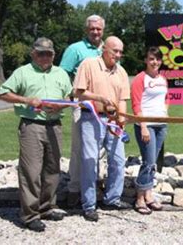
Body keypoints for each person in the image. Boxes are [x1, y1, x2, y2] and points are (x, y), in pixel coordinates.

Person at [0, 38, 72, 232]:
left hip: (55, 125)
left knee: (52, 169)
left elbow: (70, 96)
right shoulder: (23, 72)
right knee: (31, 171)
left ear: (54, 55)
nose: (45, 57)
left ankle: (47, 207)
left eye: (48, 53)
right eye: (41, 53)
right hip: (32, 125)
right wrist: (27, 100)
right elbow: (2, 93)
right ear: (33, 53)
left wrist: (61, 104)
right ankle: (30, 215)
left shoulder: (61, 73)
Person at [73, 36, 131, 222]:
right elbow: (78, 93)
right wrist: (99, 98)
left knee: (118, 160)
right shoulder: (89, 65)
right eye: (115, 51)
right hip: (91, 118)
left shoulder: (121, 71)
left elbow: (122, 99)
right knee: (90, 161)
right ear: (104, 49)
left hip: (113, 120)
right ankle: (89, 205)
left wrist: (121, 120)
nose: (118, 55)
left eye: (121, 52)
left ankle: (112, 198)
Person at [60, 15, 105, 208]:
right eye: (92, 29)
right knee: (80, 148)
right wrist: (70, 94)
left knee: (101, 148)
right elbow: (62, 74)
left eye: (99, 29)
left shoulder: (107, 49)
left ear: (103, 30)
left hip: (104, 107)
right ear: (86, 30)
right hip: (83, 105)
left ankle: (95, 184)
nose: (95, 32)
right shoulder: (75, 49)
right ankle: (75, 188)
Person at [131, 47, 168, 215]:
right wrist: (144, 125)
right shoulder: (140, 79)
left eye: (158, 59)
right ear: (146, 60)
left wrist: (165, 113)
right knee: (148, 162)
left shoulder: (163, 78)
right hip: (146, 126)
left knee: (152, 162)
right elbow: (136, 104)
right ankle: (139, 198)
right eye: (152, 59)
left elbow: (166, 98)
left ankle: (149, 194)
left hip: (161, 125)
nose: (155, 62)